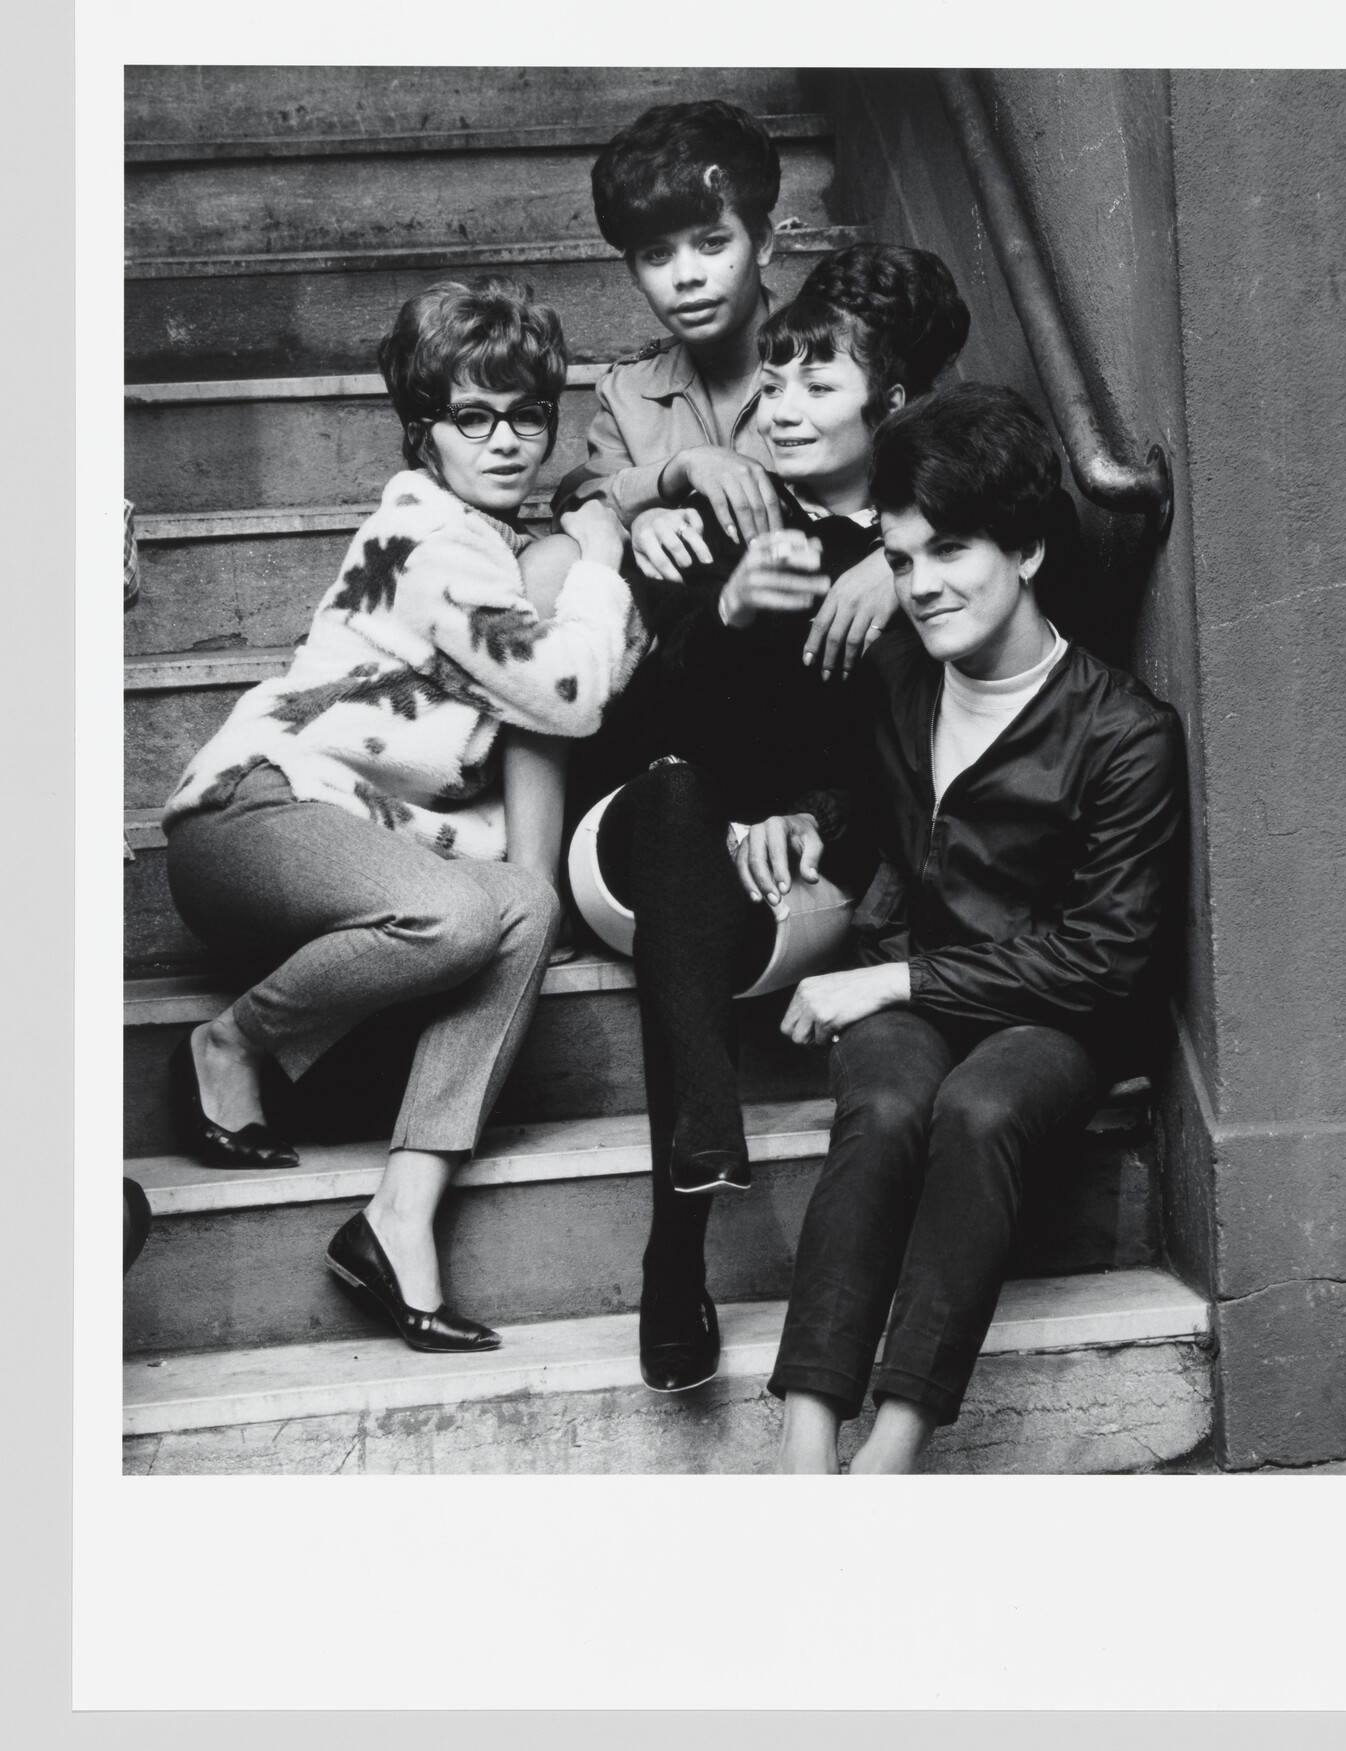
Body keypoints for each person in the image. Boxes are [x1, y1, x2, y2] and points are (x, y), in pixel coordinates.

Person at [161, 278, 644, 1353]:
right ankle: (233, 1041)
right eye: (475, 415)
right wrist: (601, 560)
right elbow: (569, 693)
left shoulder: (481, 537)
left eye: (529, 413)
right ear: (425, 429)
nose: (508, 440)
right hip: (252, 813)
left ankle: (401, 1211)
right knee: (456, 916)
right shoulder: (436, 540)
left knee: (522, 899)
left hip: (353, 839)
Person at [555, 243, 970, 1393]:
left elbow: (887, 767)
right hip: (637, 849)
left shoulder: (929, 555)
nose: (776, 410)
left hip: (781, 894)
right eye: (771, 383)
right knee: (683, 783)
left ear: (891, 403)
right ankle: (678, 1227)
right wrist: (726, 611)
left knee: (724, 829)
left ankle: (690, 1176)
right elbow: (633, 732)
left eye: (811, 386)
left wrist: (895, 565)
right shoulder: (724, 514)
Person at [768, 384, 1186, 1471]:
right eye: (901, 558)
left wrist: (891, 982)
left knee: (981, 1104)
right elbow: (864, 805)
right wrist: (804, 825)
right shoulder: (899, 678)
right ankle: (804, 1449)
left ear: (1028, 549)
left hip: (1051, 1009)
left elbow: (1105, 957)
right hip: (916, 985)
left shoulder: (1122, 732)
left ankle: (892, 1449)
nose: (919, 585)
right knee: (889, 1095)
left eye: (948, 550)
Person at [559, 98, 900, 682]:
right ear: (633, 272)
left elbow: (961, 471)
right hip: (696, 660)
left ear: (763, 242)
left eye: (712, 242)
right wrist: (661, 491)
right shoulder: (630, 389)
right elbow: (581, 496)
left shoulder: (839, 357)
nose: (687, 276)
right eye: (657, 254)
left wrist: (896, 565)